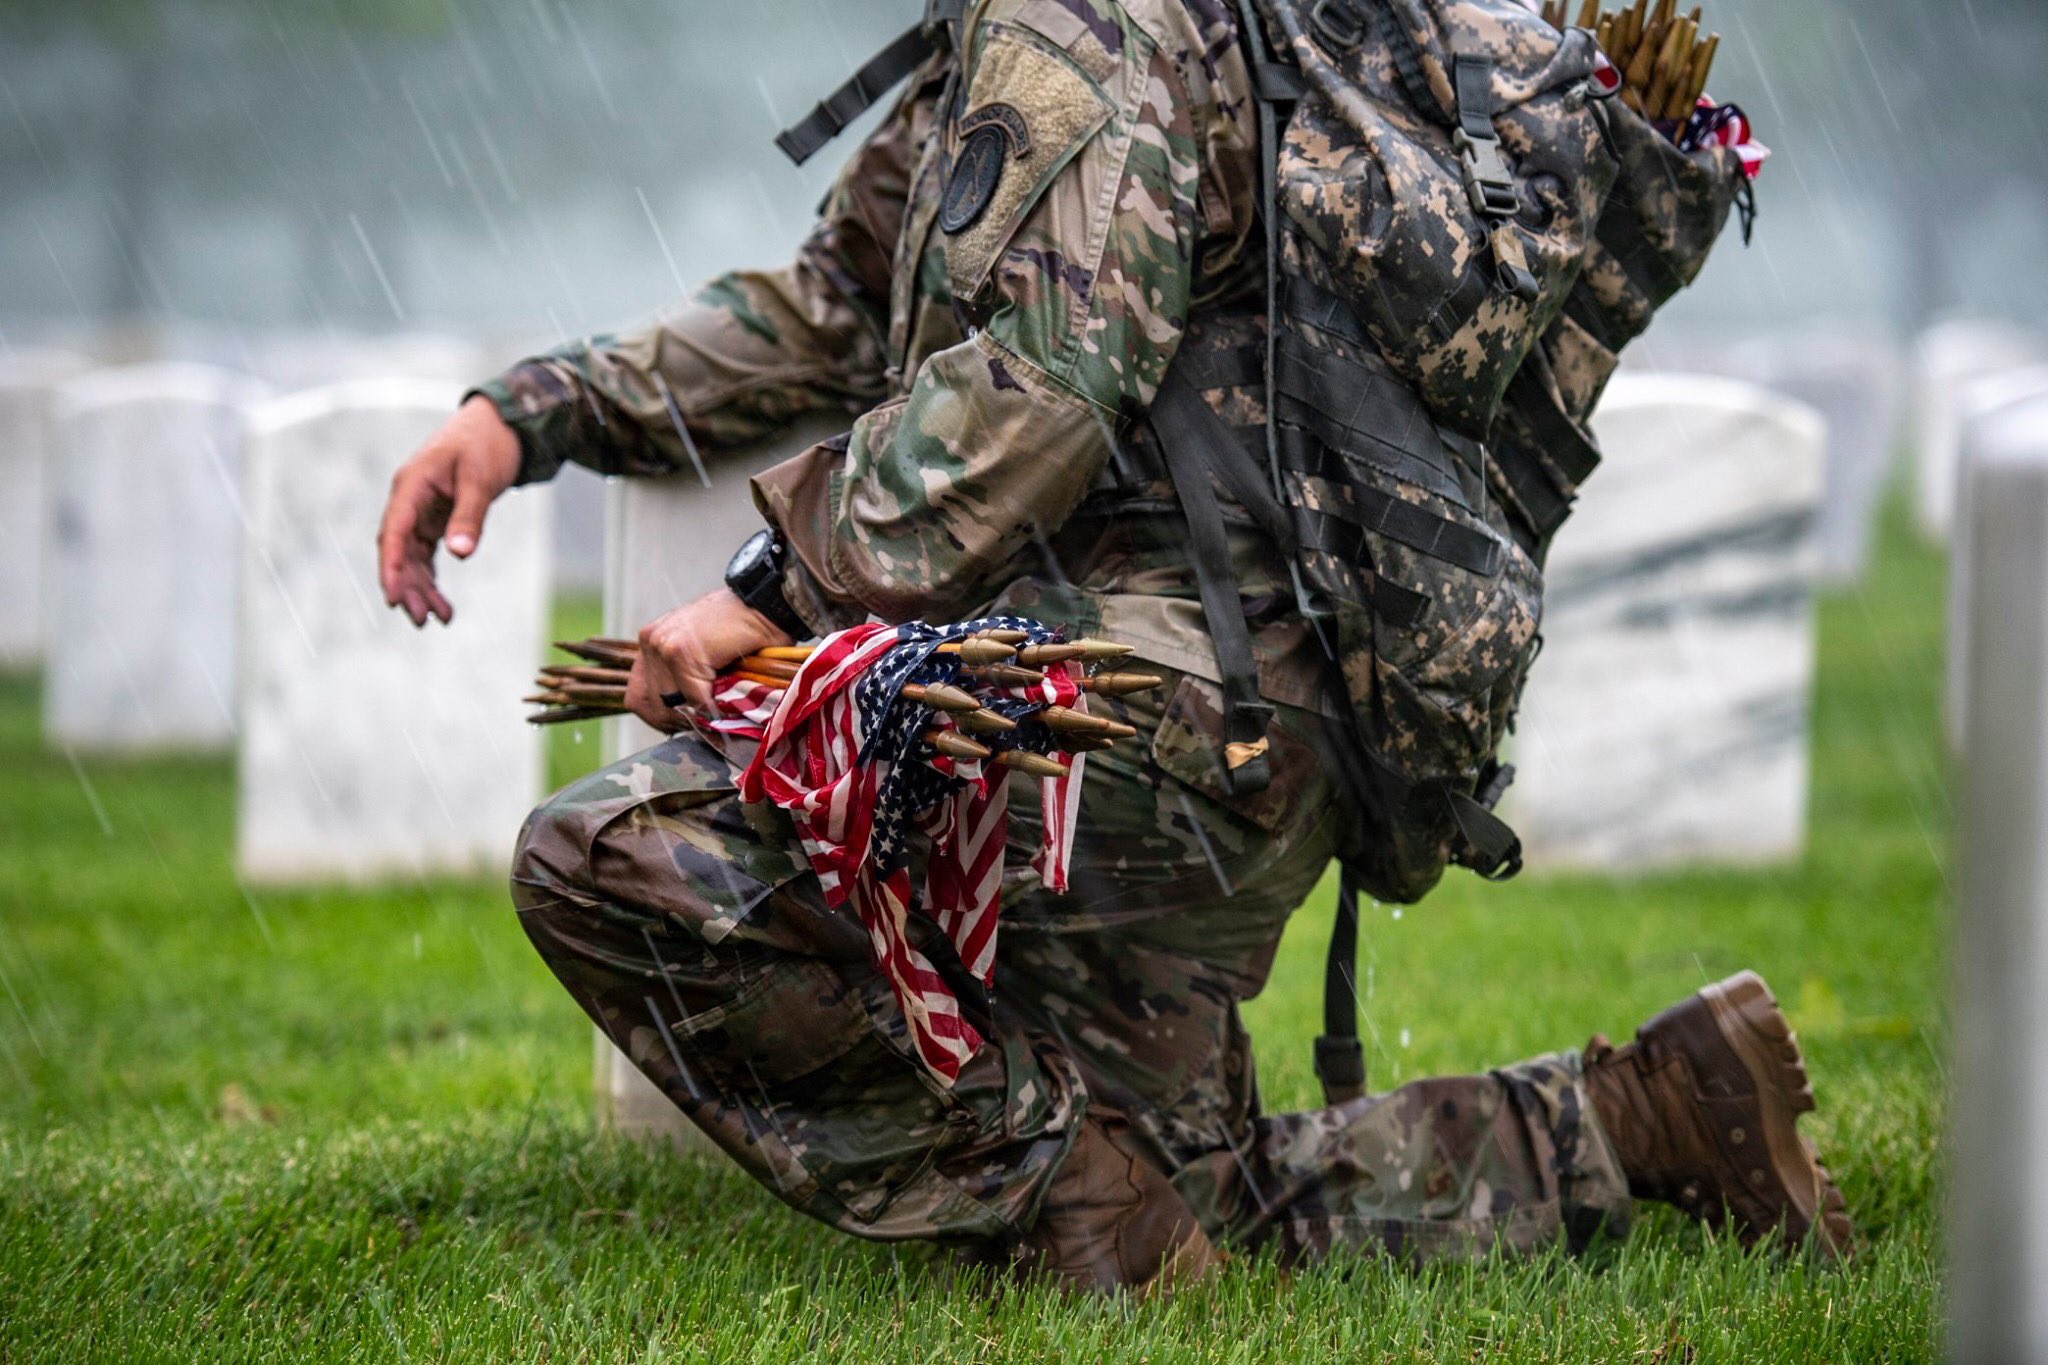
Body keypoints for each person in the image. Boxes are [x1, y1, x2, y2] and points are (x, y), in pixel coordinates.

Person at [374, 0, 1849, 1291]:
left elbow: (1049, 379)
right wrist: (532, 408)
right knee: (1200, 1190)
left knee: (614, 855)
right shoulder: (1134, 32)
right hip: (1258, 731)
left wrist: (773, 587)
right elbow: (837, 304)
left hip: (1137, 732)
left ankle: (1076, 1199)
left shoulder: (1074, 18)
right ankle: (1643, 1113)